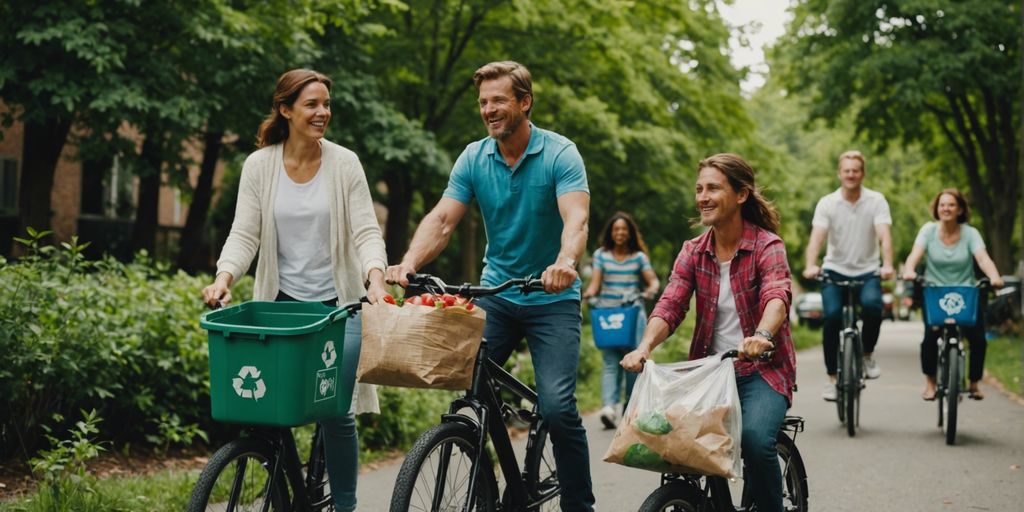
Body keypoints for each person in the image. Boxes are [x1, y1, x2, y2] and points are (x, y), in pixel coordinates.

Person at [385, 61, 595, 511]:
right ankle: (488, 487)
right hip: (496, 293)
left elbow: (575, 218)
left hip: (550, 296)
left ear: (525, 102)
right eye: (483, 102)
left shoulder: (561, 154)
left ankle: (580, 504)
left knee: (557, 408)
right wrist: (408, 262)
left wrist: (564, 261)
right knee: (470, 390)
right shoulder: (473, 157)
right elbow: (443, 219)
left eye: (498, 100)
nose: (489, 109)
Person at [201, 69, 388, 512]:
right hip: (281, 309)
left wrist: (376, 278)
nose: (323, 112)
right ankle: (283, 492)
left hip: (338, 309)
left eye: (326, 104)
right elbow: (244, 234)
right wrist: (223, 278)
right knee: (267, 413)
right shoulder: (260, 165)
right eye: (312, 104)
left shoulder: (344, 164)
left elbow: (366, 232)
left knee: (334, 412)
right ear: (285, 110)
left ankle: (344, 505)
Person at [621, 153, 796, 512]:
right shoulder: (693, 251)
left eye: (713, 188)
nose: (702, 196)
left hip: (763, 370)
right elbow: (671, 303)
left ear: (741, 194)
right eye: (699, 188)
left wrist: (761, 335)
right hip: (711, 373)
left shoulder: (767, 246)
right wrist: (645, 346)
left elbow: (777, 295)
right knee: (683, 446)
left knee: (754, 441)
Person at [802, 150, 894, 401]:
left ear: (862, 174)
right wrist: (811, 264)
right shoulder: (827, 203)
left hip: (868, 271)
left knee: (874, 307)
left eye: (856, 170)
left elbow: (884, 235)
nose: (851, 174)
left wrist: (888, 264)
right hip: (834, 270)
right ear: (839, 173)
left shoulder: (876, 201)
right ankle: (832, 379)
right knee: (831, 318)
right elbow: (817, 237)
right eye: (847, 170)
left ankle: (866, 355)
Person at [902, 188, 1004, 401]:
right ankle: (930, 383)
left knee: (978, 339)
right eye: (942, 205)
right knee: (930, 338)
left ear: (960, 210)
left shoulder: (970, 233)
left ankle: (974, 383)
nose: (946, 209)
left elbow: (983, 259)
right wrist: (909, 270)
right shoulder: (928, 231)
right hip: (935, 292)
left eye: (951, 205)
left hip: (965, 292)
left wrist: (994, 277)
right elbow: (915, 255)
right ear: (937, 209)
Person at [582, 211, 660, 429]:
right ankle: (608, 407)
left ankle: (630, 407)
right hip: (608, 315)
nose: (620, 232)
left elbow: (652, 281)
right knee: (610, 361)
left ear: (630, 233)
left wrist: (649, 291)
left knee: (634, 361)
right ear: (611, 232)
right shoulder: (601, 255)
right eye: (616, 229)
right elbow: (595, 283)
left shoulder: (638, 257)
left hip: (633, 314)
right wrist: (587, 295)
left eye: (624, 229)